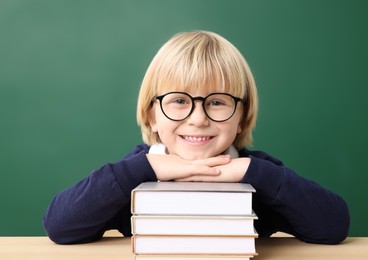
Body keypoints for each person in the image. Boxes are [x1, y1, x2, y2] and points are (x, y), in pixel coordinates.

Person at [43, 30, 350, 245]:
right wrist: (144, 170)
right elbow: (59, 226)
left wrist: (249, 171)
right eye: (179, 101)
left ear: (241, 117)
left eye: (217, 102)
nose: (199, 118)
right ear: (151, 113)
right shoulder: (136, 172)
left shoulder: (258, 173)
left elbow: (333, 226)